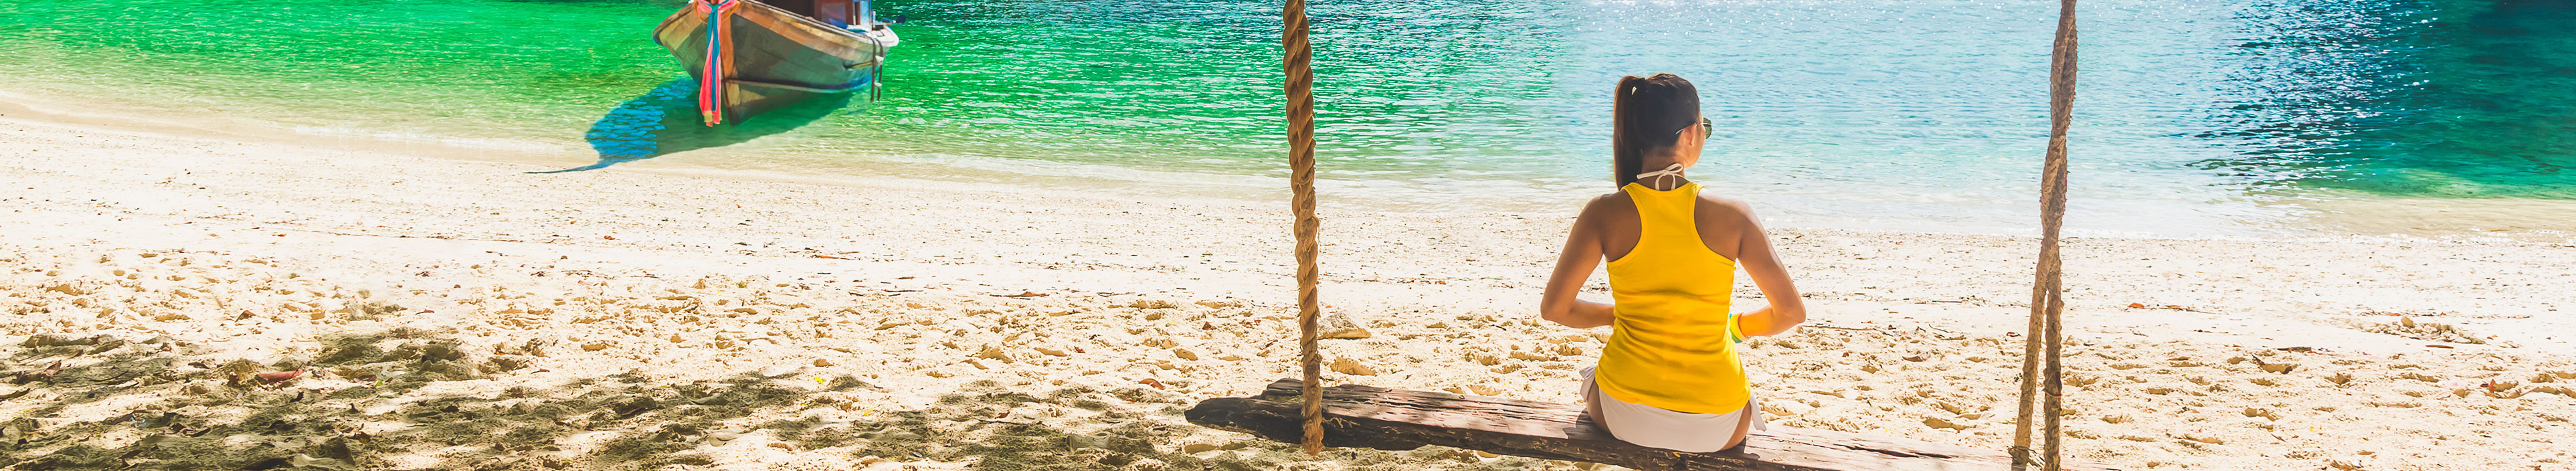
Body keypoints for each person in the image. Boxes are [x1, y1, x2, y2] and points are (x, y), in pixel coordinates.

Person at [1538, 73, 1808, 452]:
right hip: (1717, 423)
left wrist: (1617, 316)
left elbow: (1555, 309)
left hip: (1623, 415)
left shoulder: (1603, 212)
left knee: (1593, 381)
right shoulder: (1733, 215)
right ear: (1688, 135)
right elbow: (1791, 313)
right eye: (1705, 127)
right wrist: (1736, 328)